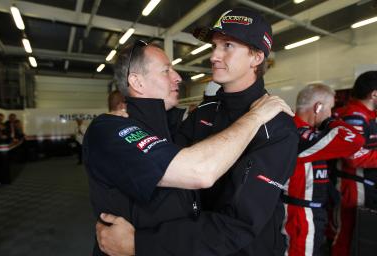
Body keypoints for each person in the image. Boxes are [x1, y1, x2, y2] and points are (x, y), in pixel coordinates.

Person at [96, 8, 299, 256]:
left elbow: (240, 224)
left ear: (256, 57)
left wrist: (143, 244)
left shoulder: (277, 127)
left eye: (227, 46)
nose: (214, 55)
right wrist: (127, 121)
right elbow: (172, 173)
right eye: (214, 46)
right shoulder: (205, 111)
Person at [281, 84, 364, 256]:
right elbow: (355, 140)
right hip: (299, 215)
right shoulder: (297, 133)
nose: (332, 113)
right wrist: (329, 121)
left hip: (310, 211)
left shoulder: (309, 133)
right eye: (331, 109)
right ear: (318, 107)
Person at [330, 71, 377, 256]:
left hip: (366, 184)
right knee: (347, 236)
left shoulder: (368, 115)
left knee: (362, 236)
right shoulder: (354, 115)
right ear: (374, 94)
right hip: (353, 186)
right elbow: (354, 156)